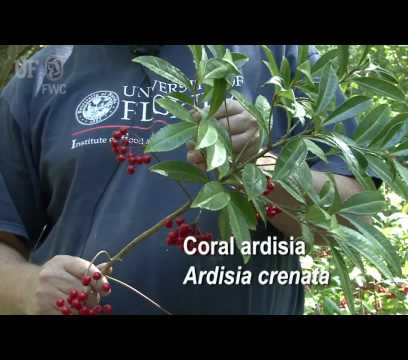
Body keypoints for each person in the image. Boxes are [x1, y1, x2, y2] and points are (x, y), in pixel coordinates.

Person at [0, 45, 363, 315]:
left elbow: (351, 217)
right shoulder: (40, 76)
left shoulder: (278, 57)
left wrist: (257, 165)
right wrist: (27, 289)